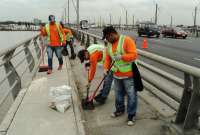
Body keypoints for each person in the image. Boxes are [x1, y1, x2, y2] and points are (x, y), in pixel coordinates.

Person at [103, 26, 138, 126]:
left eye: (107, 37)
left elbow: (134, 55)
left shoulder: (127, 40)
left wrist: (122, 57)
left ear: (112, 34)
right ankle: (119, 110)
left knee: (131, 95)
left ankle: (131, 115)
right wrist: (105, 68)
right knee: (118, 94)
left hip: (129, 75)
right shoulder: (109, 44)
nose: (107, 40)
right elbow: (108, 58)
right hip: (116, 74)